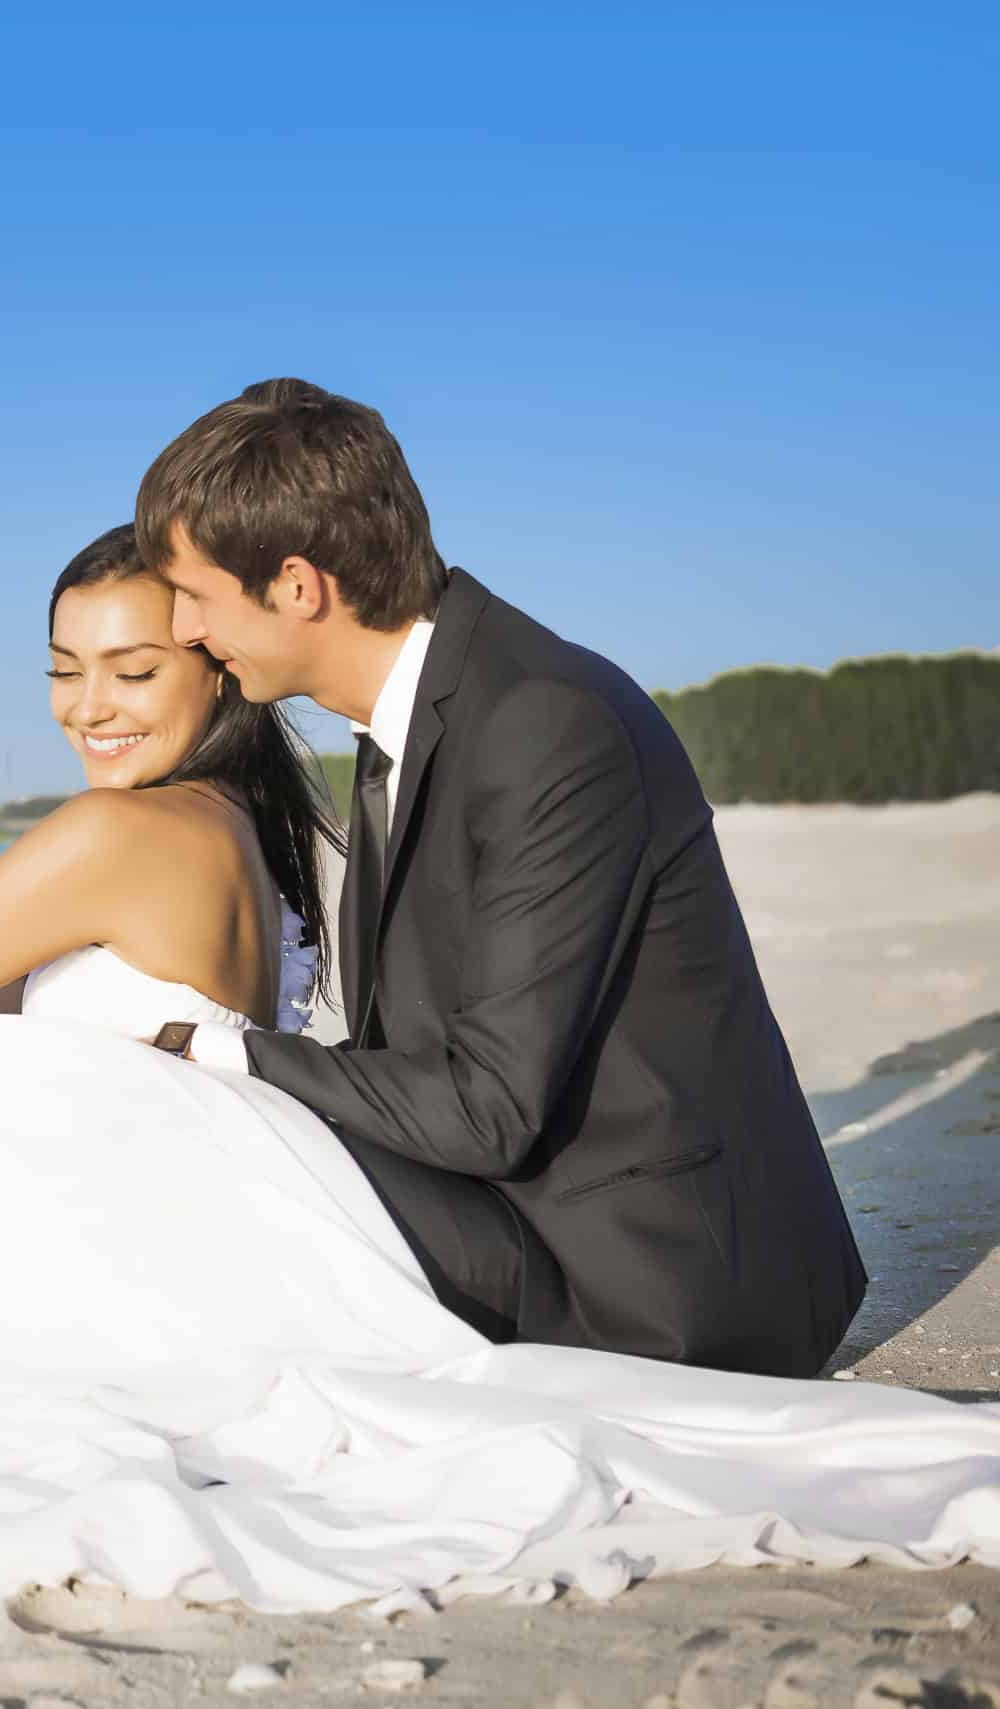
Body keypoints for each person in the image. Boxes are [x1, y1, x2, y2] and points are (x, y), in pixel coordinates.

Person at [0, 499, 995, 1617]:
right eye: (64, 670)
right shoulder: (259, 816)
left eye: (134, 669)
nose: (88, 708)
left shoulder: (122, 831)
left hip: (217, 1196)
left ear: (212, 665)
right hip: (231, 1172)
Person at [137, 377, 865, 1376]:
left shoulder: (543, 724)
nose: (180, 628)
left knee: (214, 1164)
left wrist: (231, 1055)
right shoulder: (432, 709)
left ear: (299, 586)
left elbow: (486, 1107)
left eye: (194, 593)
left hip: (651, 1281)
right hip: (529, 1206)